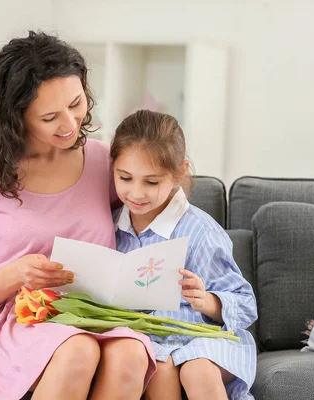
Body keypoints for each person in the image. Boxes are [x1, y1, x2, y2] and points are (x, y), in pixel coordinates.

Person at [0, 31, 155, 400]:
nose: (70, 124)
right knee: (77, 349)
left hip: (95, 313)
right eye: (50, 116)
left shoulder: (107, 163)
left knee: (131, 353)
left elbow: (160, 208)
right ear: (16, 117)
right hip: (19, 318)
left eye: (76, 104)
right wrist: (16, 273)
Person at [110, 110, 258, 400]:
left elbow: (245, 304)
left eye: (151, 182)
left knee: (197, 370)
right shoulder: (111, 226)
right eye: (125, 178)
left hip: (202, 338)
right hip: (152, 343)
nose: (136, 193)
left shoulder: (200, 231)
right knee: (160, 369)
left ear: (179, 172)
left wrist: (209, 301)